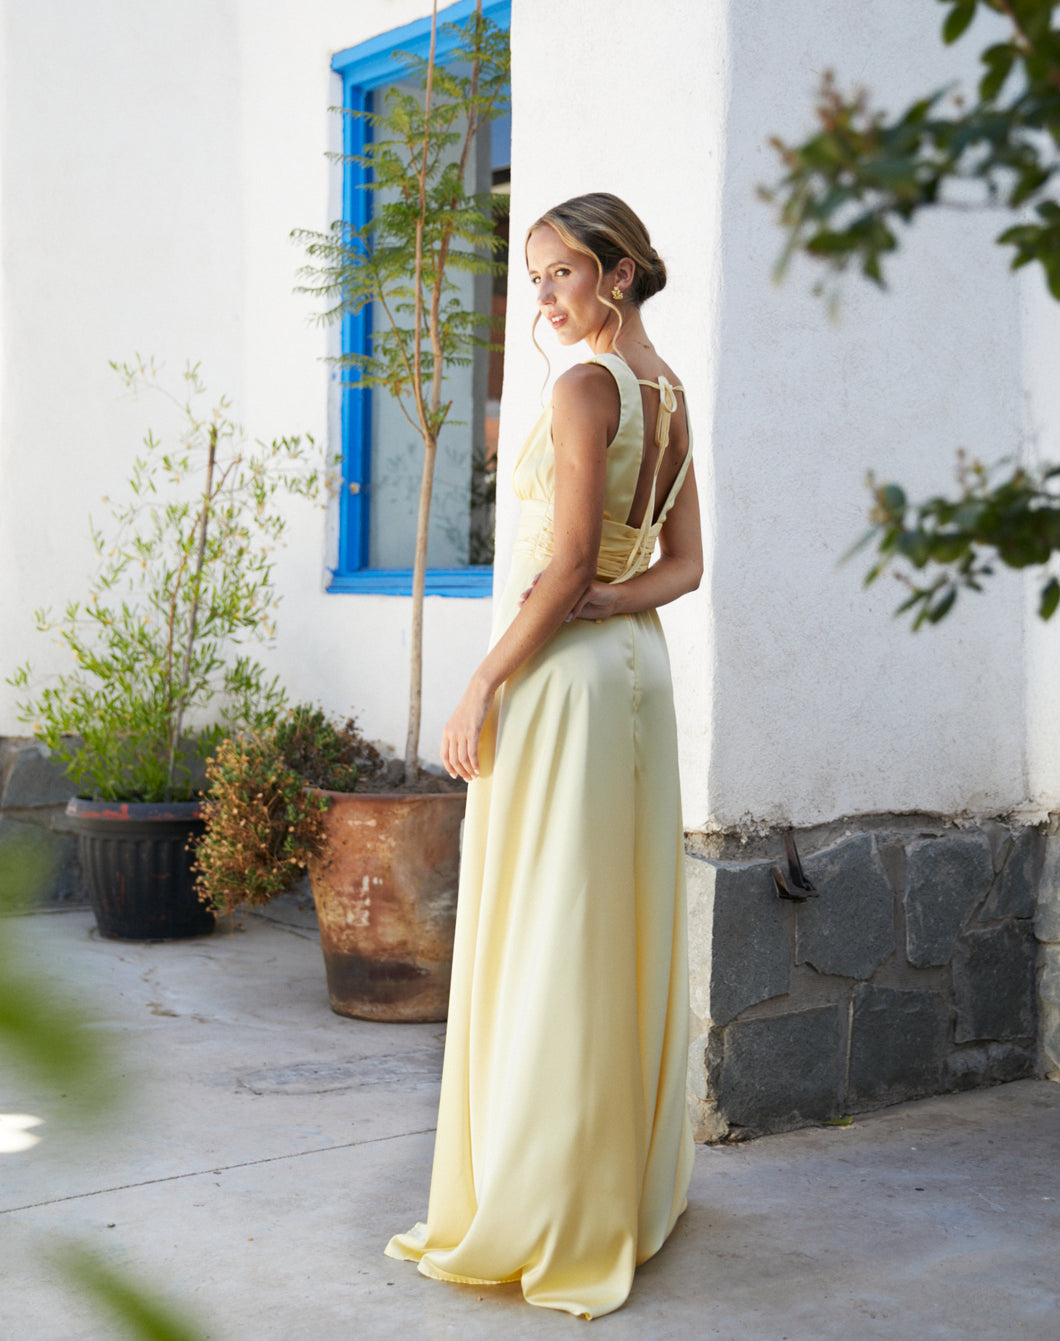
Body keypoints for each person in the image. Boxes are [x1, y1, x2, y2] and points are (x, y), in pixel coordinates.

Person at [385, 192, 703, 1319]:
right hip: (636, 672)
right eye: (535, 279)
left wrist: (482, 680)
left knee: (554, 924)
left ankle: (553, 1199)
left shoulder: (586, 385)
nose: (546, 297)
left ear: (618, 273)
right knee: (604, 914)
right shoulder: (666, 393)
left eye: (563, 272)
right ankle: (620, 1187)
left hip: (566, 682)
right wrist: (612, 601)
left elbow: (564, 565)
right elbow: (678, 569)